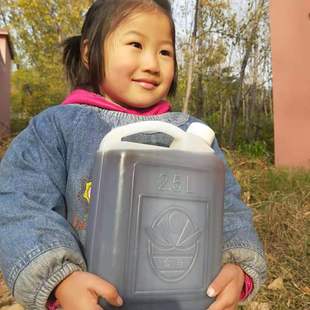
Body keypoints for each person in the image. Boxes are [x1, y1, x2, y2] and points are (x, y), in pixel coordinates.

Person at [0, 0, 266, 309]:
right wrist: (60, 279)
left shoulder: (194, 136)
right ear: (89, 52)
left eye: (165, 51)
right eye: (136, 44)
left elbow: (227, 209)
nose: (153, 63)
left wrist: (238, 268)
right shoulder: (57, 127)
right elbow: (18, 202)